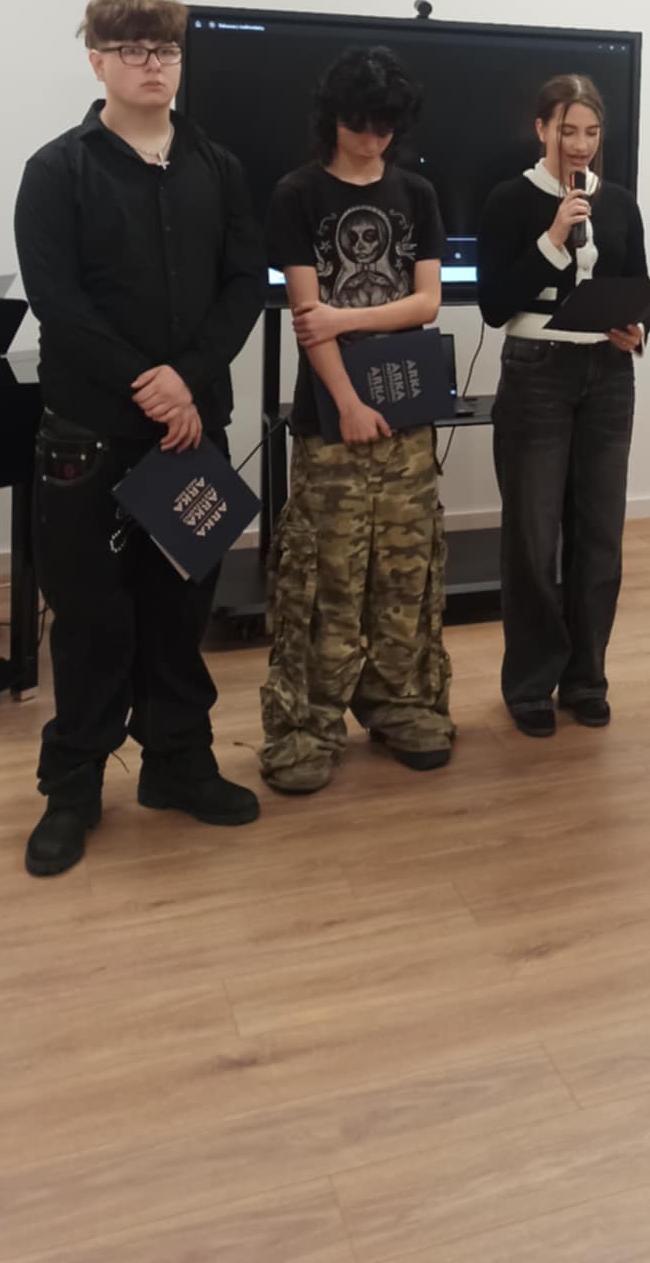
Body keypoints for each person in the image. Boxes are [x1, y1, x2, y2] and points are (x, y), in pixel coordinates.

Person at [13, 0, 265, 877]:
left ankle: (178, 765)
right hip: (89, 437)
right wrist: (153, 386)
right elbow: (59, 304)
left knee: (181, 609)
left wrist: (187, 379)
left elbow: (244, 283)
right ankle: (73, 787)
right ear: (96, 60)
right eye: (132, 50)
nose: (152, 64)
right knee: (90, 617)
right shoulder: (57, 170)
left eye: (166, 50)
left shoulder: (218, 166)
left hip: (191, 432)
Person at [258, 47, 455, 791]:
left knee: (406, 570)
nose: (372, 139)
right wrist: (345, 402)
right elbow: (305, 321)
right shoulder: (296, 194)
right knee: (325, 577)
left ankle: (401, 703)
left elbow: (426, 303)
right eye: (360, 125)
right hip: (332, 414)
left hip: (409, 406)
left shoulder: (417, 193)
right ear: (332, 119)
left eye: (385, 127)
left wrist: (344, 316)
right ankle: (307, 727)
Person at [477, 74, 647, 736]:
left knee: (599, 536)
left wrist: (636, 328)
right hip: (536, 370)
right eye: (567, 130)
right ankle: (529, 684)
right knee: (532, 535)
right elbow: (495, 306)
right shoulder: (509, 199)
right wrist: (552, 238)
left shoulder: (620, 203)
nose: (580, 144)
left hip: (607, 374)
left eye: (591, 132)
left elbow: (635, 285)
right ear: (541, 129)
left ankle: (586, 677)